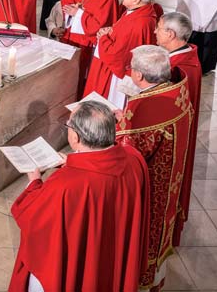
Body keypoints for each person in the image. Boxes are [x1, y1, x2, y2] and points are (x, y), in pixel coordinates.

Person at [9, 101, 149, 292]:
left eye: (68, 126)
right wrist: (75, 161)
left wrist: (34, 182)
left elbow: (31, 217)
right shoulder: (134, 159)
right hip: (112, 255)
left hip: (80, 264)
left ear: (75, 137)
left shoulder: (66, 184)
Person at [116, 45, 193, 292]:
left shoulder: (145, 111)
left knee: (146, 236)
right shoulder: (177, 91)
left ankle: (142, 282)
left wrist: (117, 126)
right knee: (161, 230)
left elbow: (126, 152)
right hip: (171, 182)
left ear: (138, 75)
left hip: (150, 190)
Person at [155, 12, 202, 248]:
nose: (155, 31)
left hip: (170, 144)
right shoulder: (187, 58)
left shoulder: (179, 68)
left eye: (159, 28)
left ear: (171, 34)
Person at [83, 0, 157, 108]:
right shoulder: (138, 12)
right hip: (117, 66)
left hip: (117, 75)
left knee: (107, 104)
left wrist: (104, 37)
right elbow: (122, 35)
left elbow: (118, 55)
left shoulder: (138, 23)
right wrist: (111, 31)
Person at [56, 0, 119, 96]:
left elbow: (100, 25)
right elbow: (66, 1)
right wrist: (72, 12)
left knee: (81, 76)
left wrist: (78, 13)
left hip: (88, 43)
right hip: (71, 36)